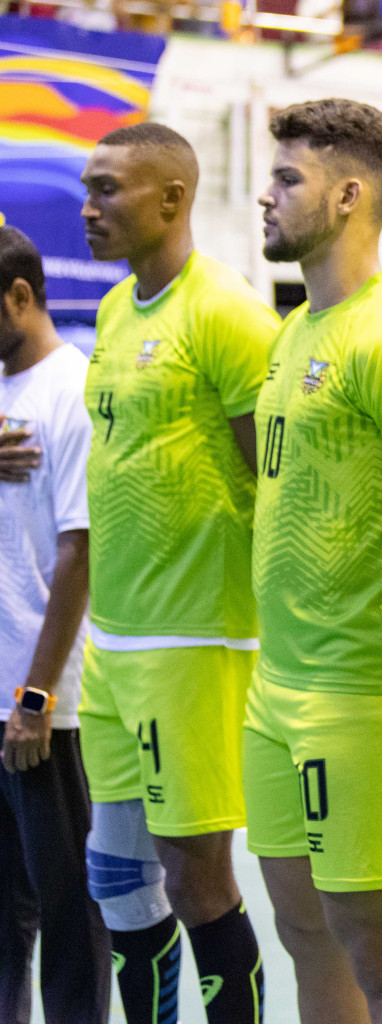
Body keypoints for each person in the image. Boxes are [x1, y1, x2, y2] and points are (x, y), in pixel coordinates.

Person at [249, 98, 382, 1024]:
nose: (265, 194)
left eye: (287, 178)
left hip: (359, 695)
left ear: (346, 196)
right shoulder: (295, 331)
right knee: (304, 938)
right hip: (275, 689)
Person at [78, 121, 274, 1024]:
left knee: (198, 879)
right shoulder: (117, 312)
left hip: (193, 641)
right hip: (113, 643)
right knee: (116, 876)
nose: (90, 209)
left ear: (171, 199)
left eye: (109, 190)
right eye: (88, 188)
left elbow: (275, 483)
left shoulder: (228, 312)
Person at [0, 226, 112, 1024]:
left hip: (48, 709)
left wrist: (35, 696)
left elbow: (81, 551)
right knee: (3, 924)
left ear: (20, 296)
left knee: (70, 912)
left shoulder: (71, 390)